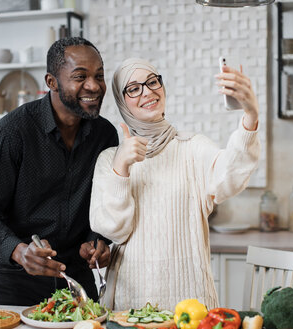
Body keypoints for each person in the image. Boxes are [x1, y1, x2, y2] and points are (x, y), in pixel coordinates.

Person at [89, 58, 260, 311]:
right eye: (133, 88)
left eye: (152, 81)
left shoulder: (192, 147)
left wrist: (250, 115)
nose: (147, 91)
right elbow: (114, 231)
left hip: (191, 303)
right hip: (130, 305)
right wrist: (121, 170)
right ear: (122, 101)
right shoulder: (110, 159)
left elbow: (231, 178)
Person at [0, 37, 119, 306]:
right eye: (80, 76)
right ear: (51, 82)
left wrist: (97, 241)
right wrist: (19, 251)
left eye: (99, 76)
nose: (94, 86)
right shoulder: (13, 131)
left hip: (77, 280)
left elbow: (106, 204)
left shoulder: (105, 135)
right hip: (17, 282)